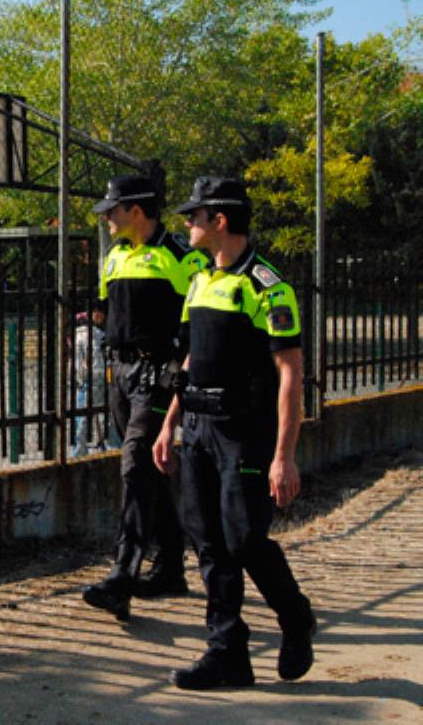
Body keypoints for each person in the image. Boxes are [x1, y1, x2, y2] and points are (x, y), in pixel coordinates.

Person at [153, 177, 315, 689]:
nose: (187, 224)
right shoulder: (200, 281)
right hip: (198, 429)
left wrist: (284, 456)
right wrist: (169, 423)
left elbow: (290, 372)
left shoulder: (267, 286)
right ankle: (227, 653)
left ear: (219, 222)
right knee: (207, 542)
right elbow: (192, 360)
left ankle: (295, 618)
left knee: (244, 539)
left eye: (194, 217)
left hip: (246, 433)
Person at [82, 173, 208, 622]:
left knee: (135, 461)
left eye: (112, 211)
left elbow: (197, 330)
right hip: (121, 373)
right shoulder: (114, 256)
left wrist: (177, 377)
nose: (107, 218)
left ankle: (122, 575)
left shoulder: (181, 259)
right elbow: (104, 308)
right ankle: (171, 565)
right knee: (149, 471)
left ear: (136, 210)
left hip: (158, 375)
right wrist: (99, 320)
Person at [71, 302, 113, 457]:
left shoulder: (81, 334)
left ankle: (79, 451)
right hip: (97, 379)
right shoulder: (95, 335)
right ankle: (108, 448)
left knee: (82, 419)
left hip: (87, 380)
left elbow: (77, 363)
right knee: (104, 418)